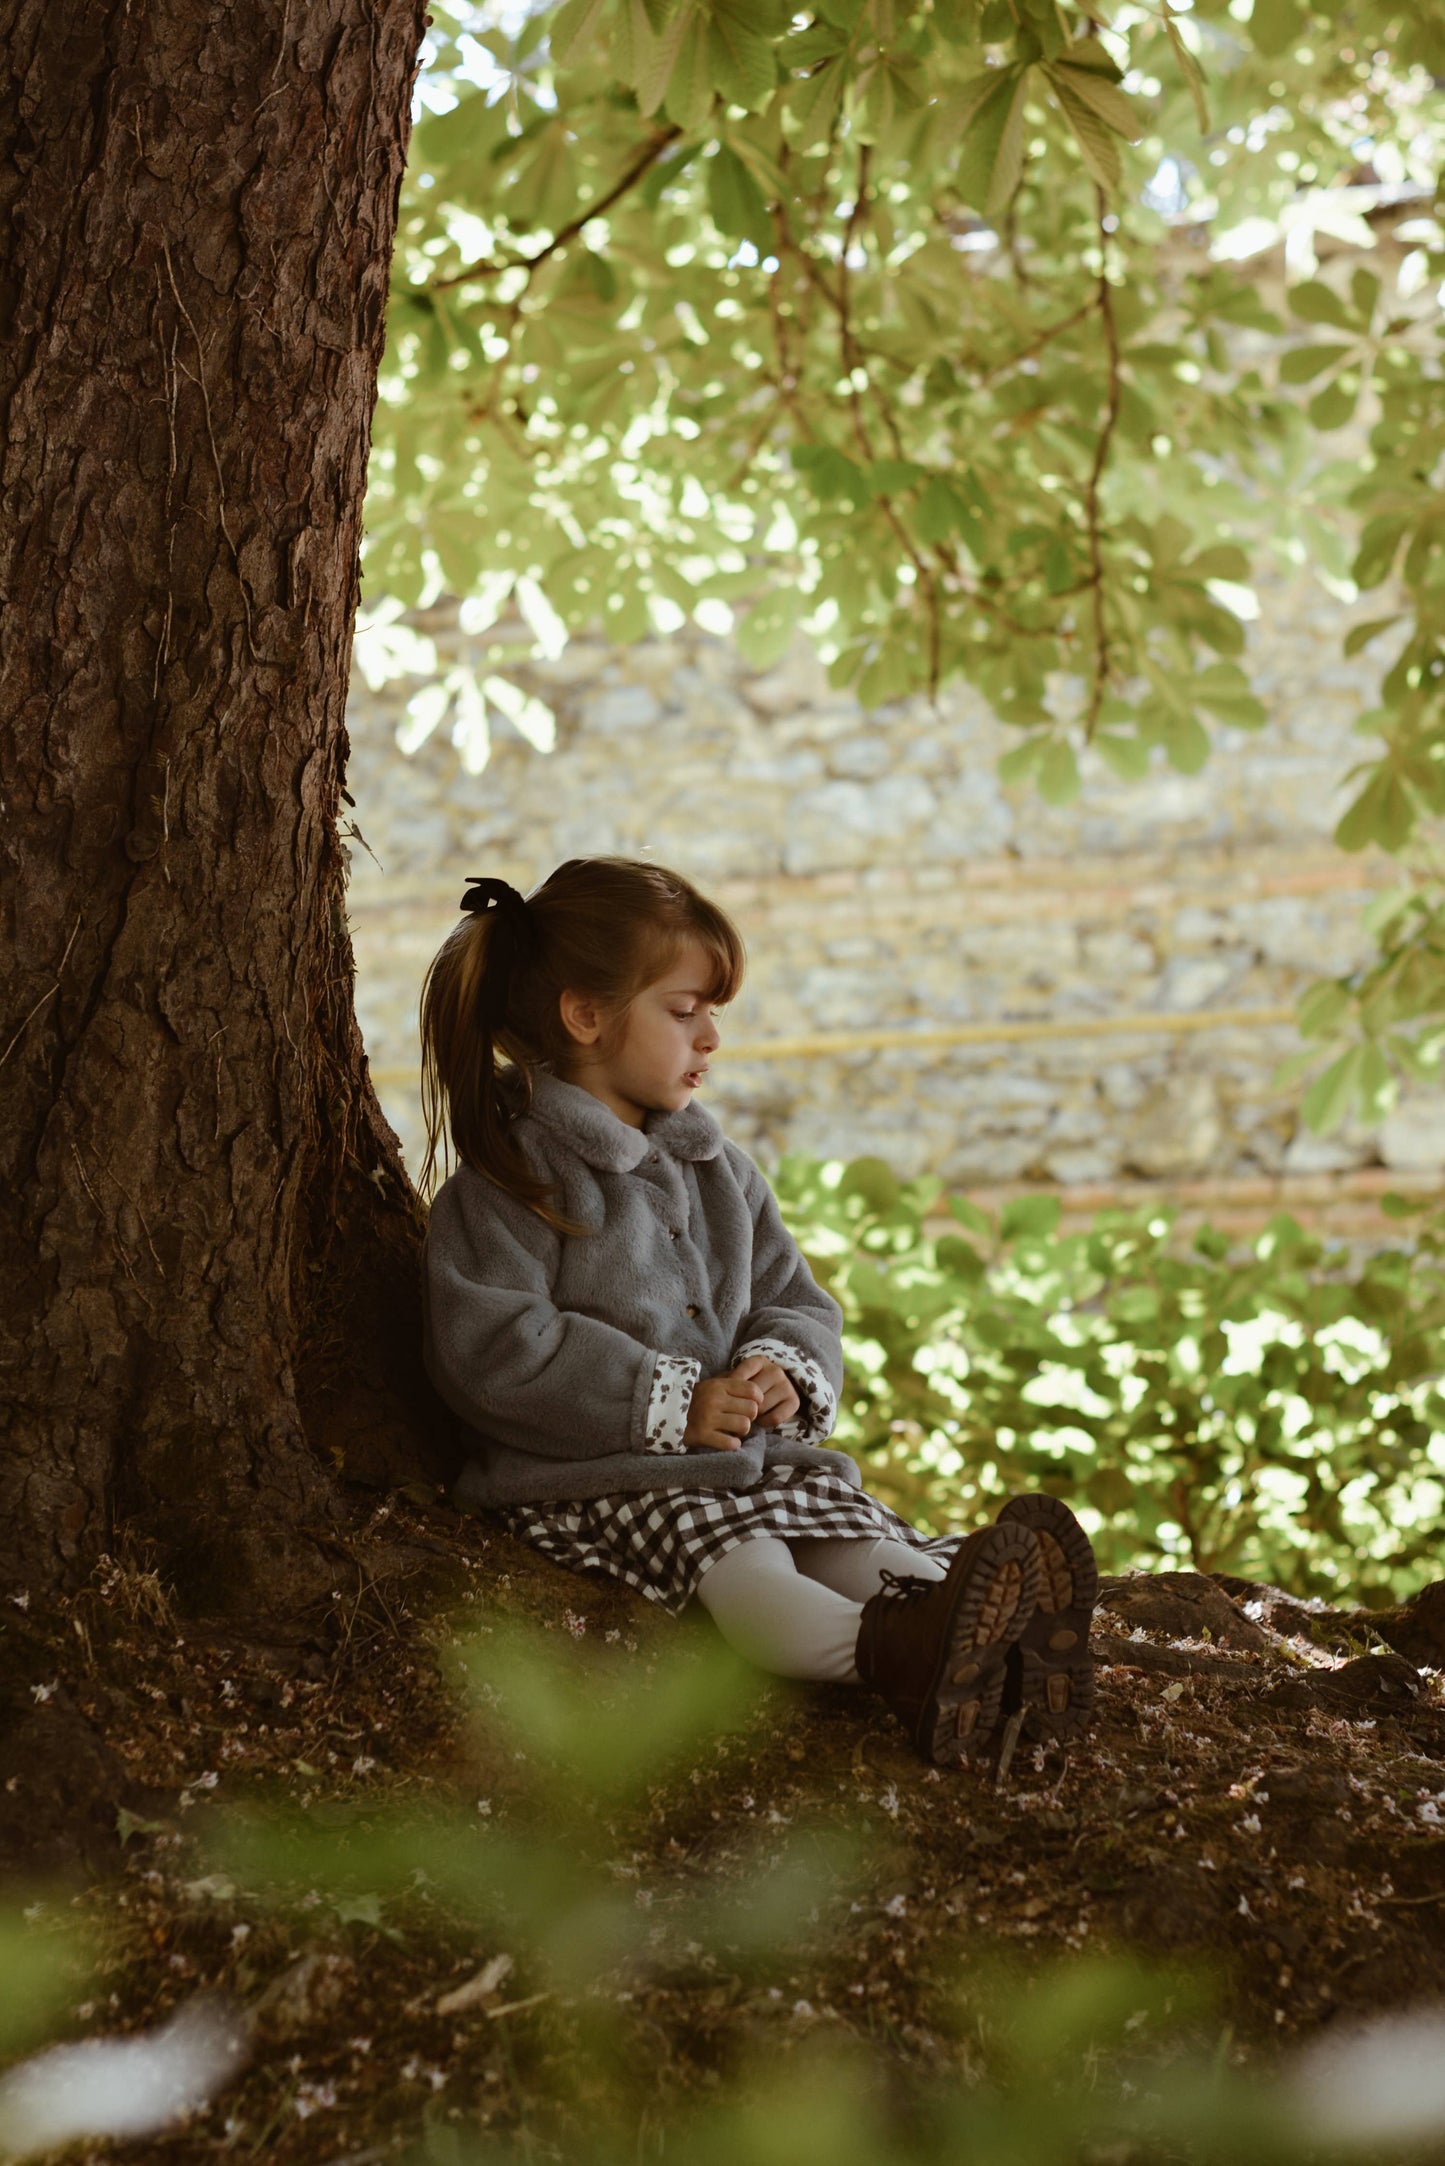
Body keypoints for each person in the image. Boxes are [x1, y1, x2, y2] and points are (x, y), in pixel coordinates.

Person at [419, 857, 1098, 1768]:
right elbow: (496, 1351)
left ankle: (987, 1636)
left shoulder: (719, 1172)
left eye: (713, 1015)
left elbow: (792, 1297)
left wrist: (782, 1369)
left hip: (755, 1461)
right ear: (585, 1015)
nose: (709, 1039)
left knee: (856, 1550)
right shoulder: (511, 1182)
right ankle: (902, 1660)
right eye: (683, 1010)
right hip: (611, 1480)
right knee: (753, 1582)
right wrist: (667, 1402)